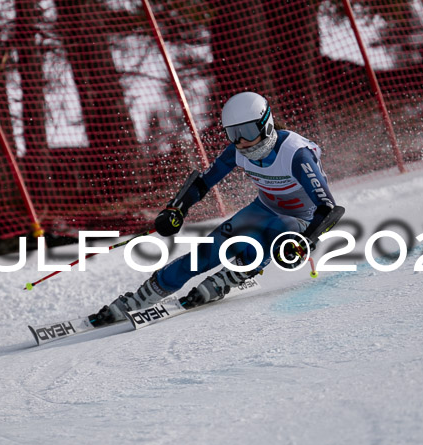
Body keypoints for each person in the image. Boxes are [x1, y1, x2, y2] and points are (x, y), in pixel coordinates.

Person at [89, 91, 344, 326]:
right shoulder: (237, 151)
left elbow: (329, 208)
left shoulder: (296, 154)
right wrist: (177, 208)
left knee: (274, 233)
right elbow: (203, 182)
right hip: (262, 208)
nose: (241, 141)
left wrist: (305, 241)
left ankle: (233, 274)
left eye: (246, 131)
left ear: (265, 124)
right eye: (234, 133)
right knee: (207, 252)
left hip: (299, 221)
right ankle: (143, 297)